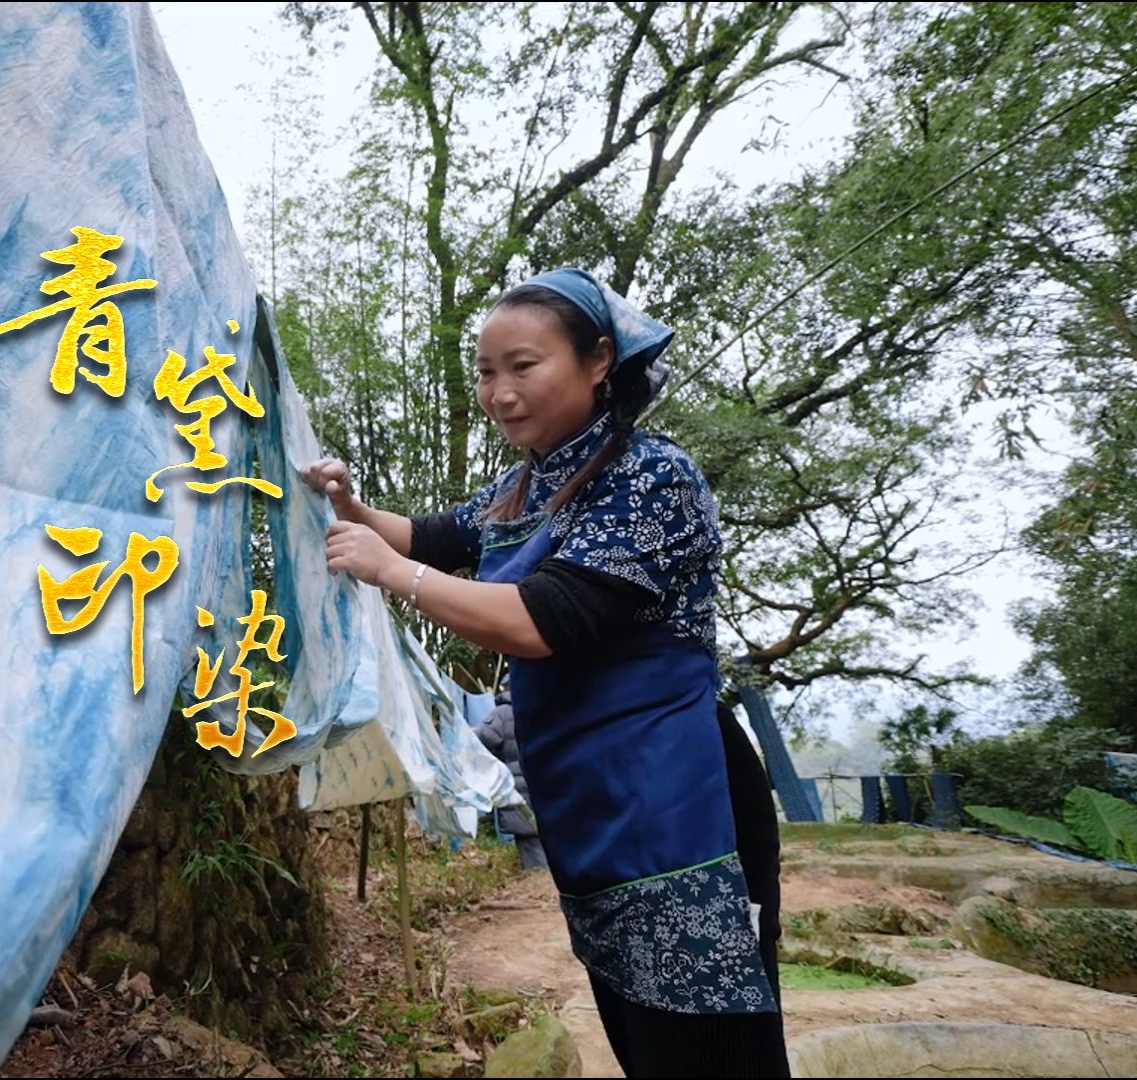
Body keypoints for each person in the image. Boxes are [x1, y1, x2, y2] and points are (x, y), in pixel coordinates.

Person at [302, 267, 789, 1078]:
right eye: (487, 373)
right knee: (639, 1034)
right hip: (590, 803)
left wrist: (389, 572)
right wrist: (352, 509)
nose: (500, 393)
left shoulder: (651, 477)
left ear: (599, 360)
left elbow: (541, 620)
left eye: (523, 367)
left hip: (678, 803)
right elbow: (431, 536)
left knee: (709, 1041)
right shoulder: (528, 481)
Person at [472, 686, 550, 871]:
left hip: (519, 793)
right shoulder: (544, 707)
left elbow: (479, 741)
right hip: (548, 789)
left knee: (533, 855)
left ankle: (539, 892)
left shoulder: (502, 715)